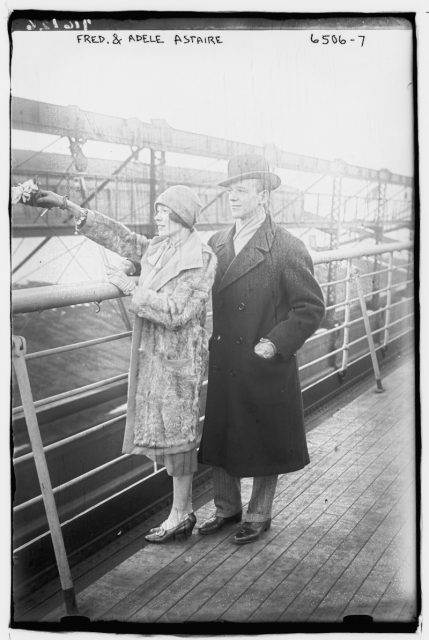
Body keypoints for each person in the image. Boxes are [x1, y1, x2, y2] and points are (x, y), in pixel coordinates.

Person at [28, 185, 217, 543]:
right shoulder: (162, 247)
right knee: (171, 435)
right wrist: (68, 206)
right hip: (159, 359)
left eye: (163, 211)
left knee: (179, 437)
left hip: (180, 362)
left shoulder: (202, 258)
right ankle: (182, 512)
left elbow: (177, 312)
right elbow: (124, 238)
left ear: (180, 216)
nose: (157, 217)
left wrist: (132, 288)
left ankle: (182, 512)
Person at [198, 154, 325, 545]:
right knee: (222, 431)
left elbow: (310, 308)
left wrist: (275, 342)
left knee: (263, 435)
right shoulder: (216, 242)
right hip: (225, 359)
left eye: (241, 190)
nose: (233, 197)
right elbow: (185, 273)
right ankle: (226, 508)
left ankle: (258, 513)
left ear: (264, 195)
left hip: (262, 358)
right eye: (230, 191)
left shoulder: (286, 246)